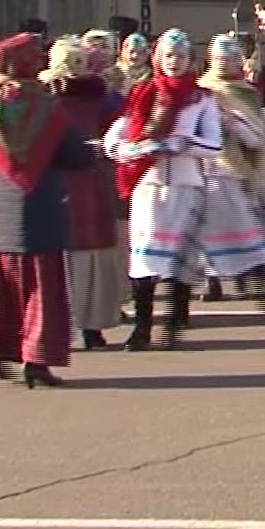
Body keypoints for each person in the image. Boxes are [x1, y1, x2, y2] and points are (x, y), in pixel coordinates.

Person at [0, 33, 98, 388]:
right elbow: (73, 155)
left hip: (0, 216)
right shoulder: (44, 104)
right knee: (44, 290)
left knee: (4, 289)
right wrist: (94, 151)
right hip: (42, 211)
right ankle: (36, 361)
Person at [106, 29, 223, 350]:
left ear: (190, 60)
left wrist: (183, 144)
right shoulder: (144, 92)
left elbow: (215, 145)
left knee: (181, 256)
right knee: (144, 259)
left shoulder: (202, 99)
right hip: (149, 186)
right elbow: (116, 136)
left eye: (181, 56)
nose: (175, 62)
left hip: (187, 186)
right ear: (158, 58)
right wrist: (128, 150)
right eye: (169, 56)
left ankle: (176, 316)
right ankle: (142, 327)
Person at [42, 37, 129, 351]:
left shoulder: (101, 98)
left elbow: (125, 125)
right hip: (58, 184)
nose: (74, 69)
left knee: (92, 253)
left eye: (79, 62)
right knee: (61, 257)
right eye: (69, 62)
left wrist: (108, 146)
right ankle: (64, 327)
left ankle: (92, 325)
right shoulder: (43, 98)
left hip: (93, 182)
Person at [195, 34, 265, 306]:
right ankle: (211, 279)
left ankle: (241, 273)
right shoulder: (201, 90)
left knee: (243, 223)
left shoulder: (248, 92)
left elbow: (257, 132)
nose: (225, 64)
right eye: (220, 59)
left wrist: (237, 125)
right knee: (207, 227)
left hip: (242, 167)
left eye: (231, 59)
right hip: (209, 166)